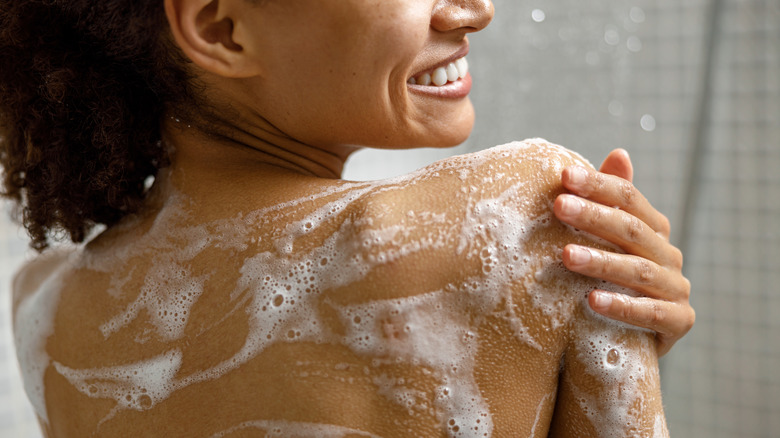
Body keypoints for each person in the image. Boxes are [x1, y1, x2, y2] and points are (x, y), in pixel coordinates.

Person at [0, 0, 693, 436]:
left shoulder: (46, 310)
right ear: (222, 28)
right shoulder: (512, 217)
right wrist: (606, 339)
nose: (474, 9)